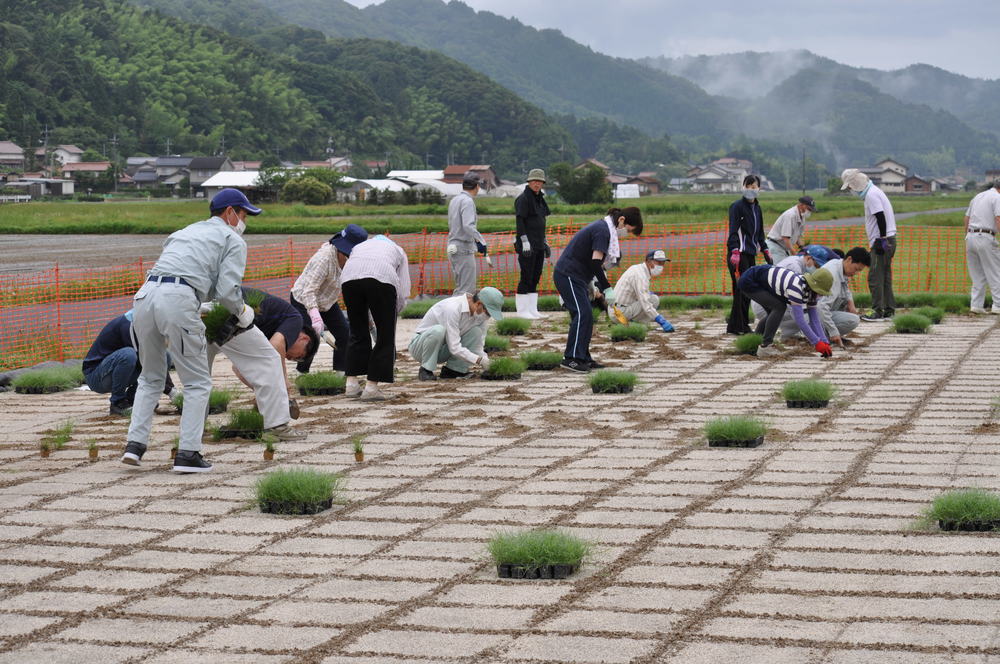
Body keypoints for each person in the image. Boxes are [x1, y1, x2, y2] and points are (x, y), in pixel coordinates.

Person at [123, 187, 258, 473]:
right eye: (244, 214)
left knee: (150, 378)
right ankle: (188, 454)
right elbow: (227, 290)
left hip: (145, 297)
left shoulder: (184, 231)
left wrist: (198, 306)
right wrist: (242, 311)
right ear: (230, 213)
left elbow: (181, 279)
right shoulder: (231, 238)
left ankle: (134, 447)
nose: (245, 220)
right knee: (197, 383)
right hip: (178, 299)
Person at [207, 287, 317, 436]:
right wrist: (284, 385)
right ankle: (278, 428)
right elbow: (277, 346)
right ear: (305, 338)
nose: (290, 358)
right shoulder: (295, 319)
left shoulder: (265, 332)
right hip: (234, 308)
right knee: (271, 359)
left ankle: (195, 430)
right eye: (299, 356)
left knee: (200, 380)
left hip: (210, 312)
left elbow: (239, 369)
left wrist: (267, 394)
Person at [554, 206, 643, 372]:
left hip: (579, 278)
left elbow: (593, 263)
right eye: (629, 230)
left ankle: (583, 357)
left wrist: (597, 286)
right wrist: (607, 289)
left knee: (585, 315)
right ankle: (571, 359)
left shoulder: (605, 228)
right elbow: (596, 263)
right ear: (622, 220)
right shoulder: (602, 230)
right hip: (568, 275)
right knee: (583, 314)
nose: (626, 234)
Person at [340, 234, 411, 401]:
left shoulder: (359, 247)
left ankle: (351, 384)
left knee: (357, 331)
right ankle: (371, 387)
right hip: (381, 279)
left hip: (348, 280)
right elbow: (402, 289)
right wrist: (394, 311)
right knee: (385, 337)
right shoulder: (398, 250)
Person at [290, 224, 368, 373]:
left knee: (345, 334)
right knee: (310, 340)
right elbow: (308, 291)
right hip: (304, 300)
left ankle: (340, 373)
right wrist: (315, 316)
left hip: (327, 302)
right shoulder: (324, 259)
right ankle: (302, 373)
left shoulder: (352, 261)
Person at [82, 312, 176, 416]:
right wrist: (170, 391)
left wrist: (173, 389)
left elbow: (157, 357)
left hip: (114, 370)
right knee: (129, 355)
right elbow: (145, 362)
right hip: (96, 376)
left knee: (164, 355)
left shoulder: (150, 323)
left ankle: (134, 399)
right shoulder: (130, 324)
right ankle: (117, 403)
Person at [737, 263, 834, 359]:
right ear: (814, 287)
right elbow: (800, 320)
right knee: (779, 307)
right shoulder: (797, 288)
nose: (820, 295)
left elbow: (814, 320)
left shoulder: (811, 293)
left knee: (773, 313)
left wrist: (824, 341)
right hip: (750, 280)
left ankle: (756, 344)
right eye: (820, 292)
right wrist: (816, 342)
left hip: (762, 281)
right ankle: (766, 346)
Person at [409, 287, 504, 380]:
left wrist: (486, 362)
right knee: (439, 330)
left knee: (475, 332)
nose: (488, 317)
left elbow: (479, 345)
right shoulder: (453, 308)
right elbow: (454, 347)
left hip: (444, 349)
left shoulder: (480, 317)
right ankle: (426, 369)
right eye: (488, 313)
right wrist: (478, 360)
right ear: (479, 304)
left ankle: (453, 370)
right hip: (421, 348)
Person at [841, 168, 897, 321]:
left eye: (850, 187)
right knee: (885, 276)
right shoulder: (874, 191)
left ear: (855, 184)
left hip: (882, 241)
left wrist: (882, 239)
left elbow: (880, 216)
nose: (851, 190)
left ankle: (877, 311)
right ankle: (889, 311)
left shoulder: (871, 195)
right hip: (888, 239)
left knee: (874, 276)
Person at [749, 245, 832, 343]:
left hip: (771, 301)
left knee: (805, 312)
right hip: (763, 304)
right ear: (809, 258)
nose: (817, 269)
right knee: (800, 314)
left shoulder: (799, 263)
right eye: (817, 265)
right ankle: (786, 336)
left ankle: (783, 336)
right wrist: (817, 340)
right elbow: (797, 310)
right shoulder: (794, 267)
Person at [726, 175, 771, 335]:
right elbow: (733, 230)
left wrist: (765, 249)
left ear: (759, 188)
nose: (751, 189)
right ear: (743, 186)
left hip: (750, 254)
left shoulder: (757, 208)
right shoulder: (737, 206)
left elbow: (759, 233)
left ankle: (734, 326)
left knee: (746, 291)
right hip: (738, 255)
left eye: (754, 186)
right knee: (741, 290)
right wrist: (734, 250)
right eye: (748, 185)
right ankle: (741, 326)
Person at [513, 168, 551, 319]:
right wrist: (524, 241)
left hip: (539, 243)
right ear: (529, 182)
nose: (537, 184)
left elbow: (542, 222)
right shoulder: (523, 199)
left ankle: (532, 310)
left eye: (540, 181)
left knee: (536, 275)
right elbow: (520, 221)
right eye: (534, 181)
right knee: (526, 275)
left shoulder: (540, 199)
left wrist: (545, 241)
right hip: (527, 244)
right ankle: (522, 312)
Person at [817, 247, 871, 345]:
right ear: (849, 259)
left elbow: (845, 288)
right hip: (813, 314)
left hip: (816, 312)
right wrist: (833, 332)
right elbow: (821, 307)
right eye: (856, 269)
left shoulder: (838, 264)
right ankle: (823, 336)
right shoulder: (833, 276)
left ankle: (825, 334)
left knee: (844, 301)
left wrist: (850, 303)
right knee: (853, 320)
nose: (855, 273)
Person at [447, 171, 489, 294]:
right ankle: (460, 313)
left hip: (453, 244)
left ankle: (455, 312)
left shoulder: (454, 200)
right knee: (467, 289)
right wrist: (481, 241)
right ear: (476, 186)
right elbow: (468, 225)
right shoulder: (468, 201)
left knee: (460, 287)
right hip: (463, 247)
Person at [614, 249, 674, 332]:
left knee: (650, 297)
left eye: (663, 263)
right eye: (658, 262)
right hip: (619, 313)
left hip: (617, 310)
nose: (661, 266)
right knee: (653, 300)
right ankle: (636, 327)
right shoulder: (640, 276)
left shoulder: (638, 269)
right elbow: (645, 303)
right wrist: (661, 320)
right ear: (649, 261)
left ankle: (632, 325)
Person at [964, 179, 1000, 314]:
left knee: (977, 275)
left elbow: (966, 218)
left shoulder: (978, 196)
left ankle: (976, 305)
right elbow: (998, 218)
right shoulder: (997, 198)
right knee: (996, 272)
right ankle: (998, 305)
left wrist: (967, 235)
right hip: (986, 237)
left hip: (971, 237)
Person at [765, 196, 816, 263]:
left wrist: (803, 249)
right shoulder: (790, 215)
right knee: (777, 270)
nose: (809, 211)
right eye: (808, 209)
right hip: (775, 245)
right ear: (801, 205)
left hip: (784, 247)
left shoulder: (802, 217)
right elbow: (785, 237)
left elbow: (798, 236)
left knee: (786, 268)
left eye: (810, 210)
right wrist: (794, 254)